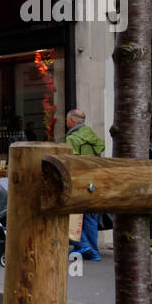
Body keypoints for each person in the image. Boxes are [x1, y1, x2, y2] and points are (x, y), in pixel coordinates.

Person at [65, 108, 105, 261]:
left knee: (71, 213)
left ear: (72, 121)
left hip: (80, 180)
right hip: (93, 180)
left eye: (67, 120)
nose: (67, 122)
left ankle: (82, 244)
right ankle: (93, 252)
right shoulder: (92, 136)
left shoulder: (72, 139)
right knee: (90, 217)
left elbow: (72, 163)